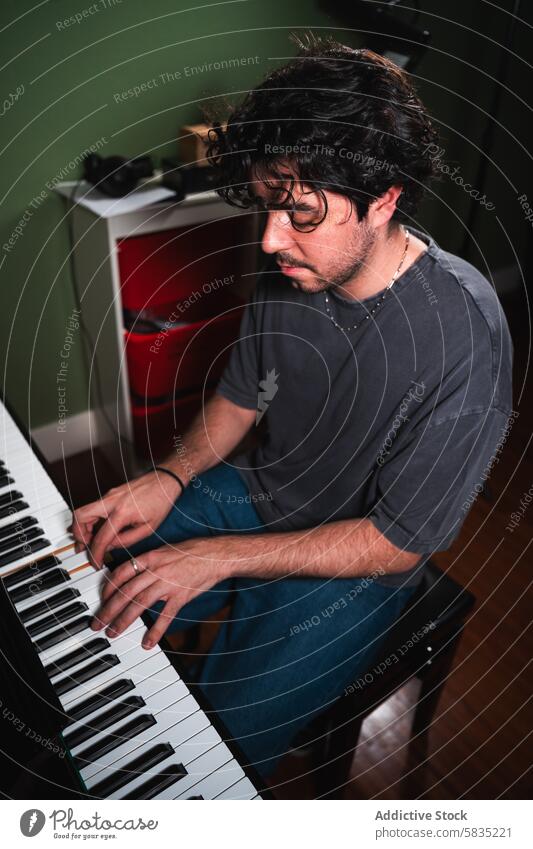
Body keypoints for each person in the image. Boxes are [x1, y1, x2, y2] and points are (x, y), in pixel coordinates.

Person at [71, 35, 513, 780]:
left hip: (358, 562)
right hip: (259, 491)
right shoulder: (293, 261)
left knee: (206, 747)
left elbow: (398, 540)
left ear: (384, 199)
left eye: (301, 212)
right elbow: (241, 395)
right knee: (92, 572)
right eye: (270, 205)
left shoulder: (463, 334)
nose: (272, 237)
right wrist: (171, 475)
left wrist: (215, 557)